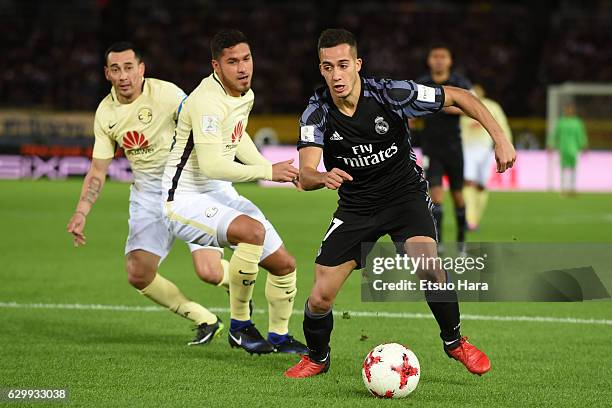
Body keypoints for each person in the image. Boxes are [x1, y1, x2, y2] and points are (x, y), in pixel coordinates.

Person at [284, 29, 515, 379]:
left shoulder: (390, 93)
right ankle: (317, 357)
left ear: (357, 65)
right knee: (320, 297)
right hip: (356, 207)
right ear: (321, 69)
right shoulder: (317, 111)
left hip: (404, 197)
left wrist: (499, 139)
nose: (336, 74)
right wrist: (320, 177)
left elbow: (459, 96)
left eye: (343, 65)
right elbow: (305, 171)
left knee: (429, 265)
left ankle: (454, 342)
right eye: (328, 67)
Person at [66, 42, 228, 346]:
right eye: (116, 69)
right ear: (107, 74)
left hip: (187, 183)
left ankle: (241, 294)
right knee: (139, 273)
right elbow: (98, 170)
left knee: (209, 271)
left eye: (129, 67)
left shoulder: (167, 94)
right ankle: (205, 319)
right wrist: (81, 211)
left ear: (142, 69)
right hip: (148, 192)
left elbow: (203, 126)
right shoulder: (106, 113)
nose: (123, 75)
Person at [161, 29, 308, 355]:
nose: (243, 68)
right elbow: (213, 164)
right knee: (251, 232)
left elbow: (237, 136)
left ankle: (279, 336)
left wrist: (278, 172)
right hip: (183, 199)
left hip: (218, 190)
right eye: (232, 62)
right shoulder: (207, 101)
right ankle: (240, 326)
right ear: (216, 65)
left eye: (246, 59)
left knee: (285, 264)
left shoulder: (244, 93)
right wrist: (268, 171)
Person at [417, 45, 472, 252]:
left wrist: (446, 106)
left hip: (454, 148)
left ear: (449, 61)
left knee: (458, 195)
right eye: (435, 56)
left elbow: (472, 105)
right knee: (436, 195)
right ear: (429, 60)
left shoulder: (459, 83)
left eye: (443, 56)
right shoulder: (422, 84)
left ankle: (461, 238)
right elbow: (411, 108)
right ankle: (438, 242)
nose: (439, 60)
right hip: (432, 148)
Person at [461, 84, 513, 230]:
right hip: (467, 150)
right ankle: (469, 219)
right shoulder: (462, 104)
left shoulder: (493, 107)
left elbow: (503, 125)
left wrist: (507, 144)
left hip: (486, 150)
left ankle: (475, 219)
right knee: (468, 182)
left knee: (481, 186)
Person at [549, 103, 588, 196]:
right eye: (567, 109)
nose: (569, 111)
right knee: (563, 168)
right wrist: (551, 144)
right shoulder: (561, 122)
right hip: (563, 148)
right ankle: (563, 188)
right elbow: (555, 134)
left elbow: (581, 134)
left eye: (570, 109)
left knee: (573, 168)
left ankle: (572, 188)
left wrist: (584, 144)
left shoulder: (577, 122)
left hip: (574, 148)